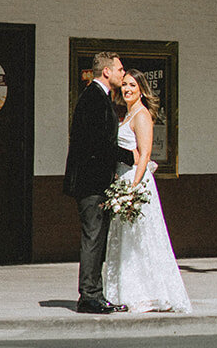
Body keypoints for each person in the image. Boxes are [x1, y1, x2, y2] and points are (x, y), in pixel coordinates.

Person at [104, 70, 191, 314]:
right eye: (124, 85)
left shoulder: (141, 115)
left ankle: (148, 294)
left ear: (141, 88)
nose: (127, 89)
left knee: (141, 240)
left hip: (135, 181)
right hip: (122, 178)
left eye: (132, 85)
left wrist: (132, 189)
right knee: (127, 241)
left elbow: (144, 156)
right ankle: (125, 291)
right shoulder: (127, 114)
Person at [63, 52, 131, 314]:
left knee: (97, 238)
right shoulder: (94, 98)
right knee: (93, 238)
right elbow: (99, 144)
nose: (123, 75)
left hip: (94, 181)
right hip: (91, 184)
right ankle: (89, 296)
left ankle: (96, 294)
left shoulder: (98, 97)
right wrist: (130, 156)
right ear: (106, 72)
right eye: (120, 69)